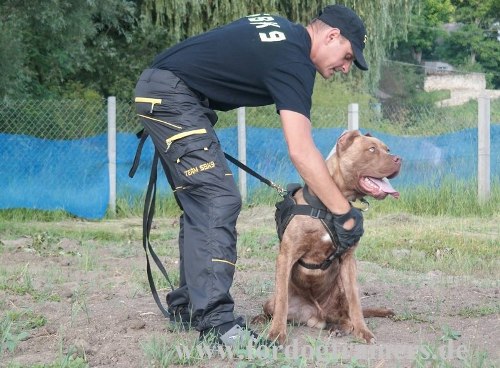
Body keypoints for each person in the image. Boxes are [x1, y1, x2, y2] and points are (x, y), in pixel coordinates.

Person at [134, 4, 366, 346]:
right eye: (347, 56)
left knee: (201, 203)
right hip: (172, 95)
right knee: (218, 199)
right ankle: (216, 324)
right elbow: (301, 151)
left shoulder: (280, 32)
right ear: (332, 35)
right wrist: (344, 214)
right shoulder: (295, 57)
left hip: (165, 89)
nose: (346, 67)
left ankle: (188, 307)